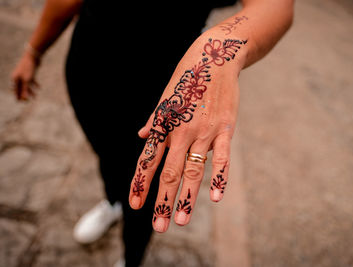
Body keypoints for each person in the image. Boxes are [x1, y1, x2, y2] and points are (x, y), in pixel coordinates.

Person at [11, 0, 294, 266]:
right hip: (90, 69)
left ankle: (131, 258)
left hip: (163, 91)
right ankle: (112, 202)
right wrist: (34, 50)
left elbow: (275, 5)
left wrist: (221, 48)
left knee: (145, 187)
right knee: (108, 156)